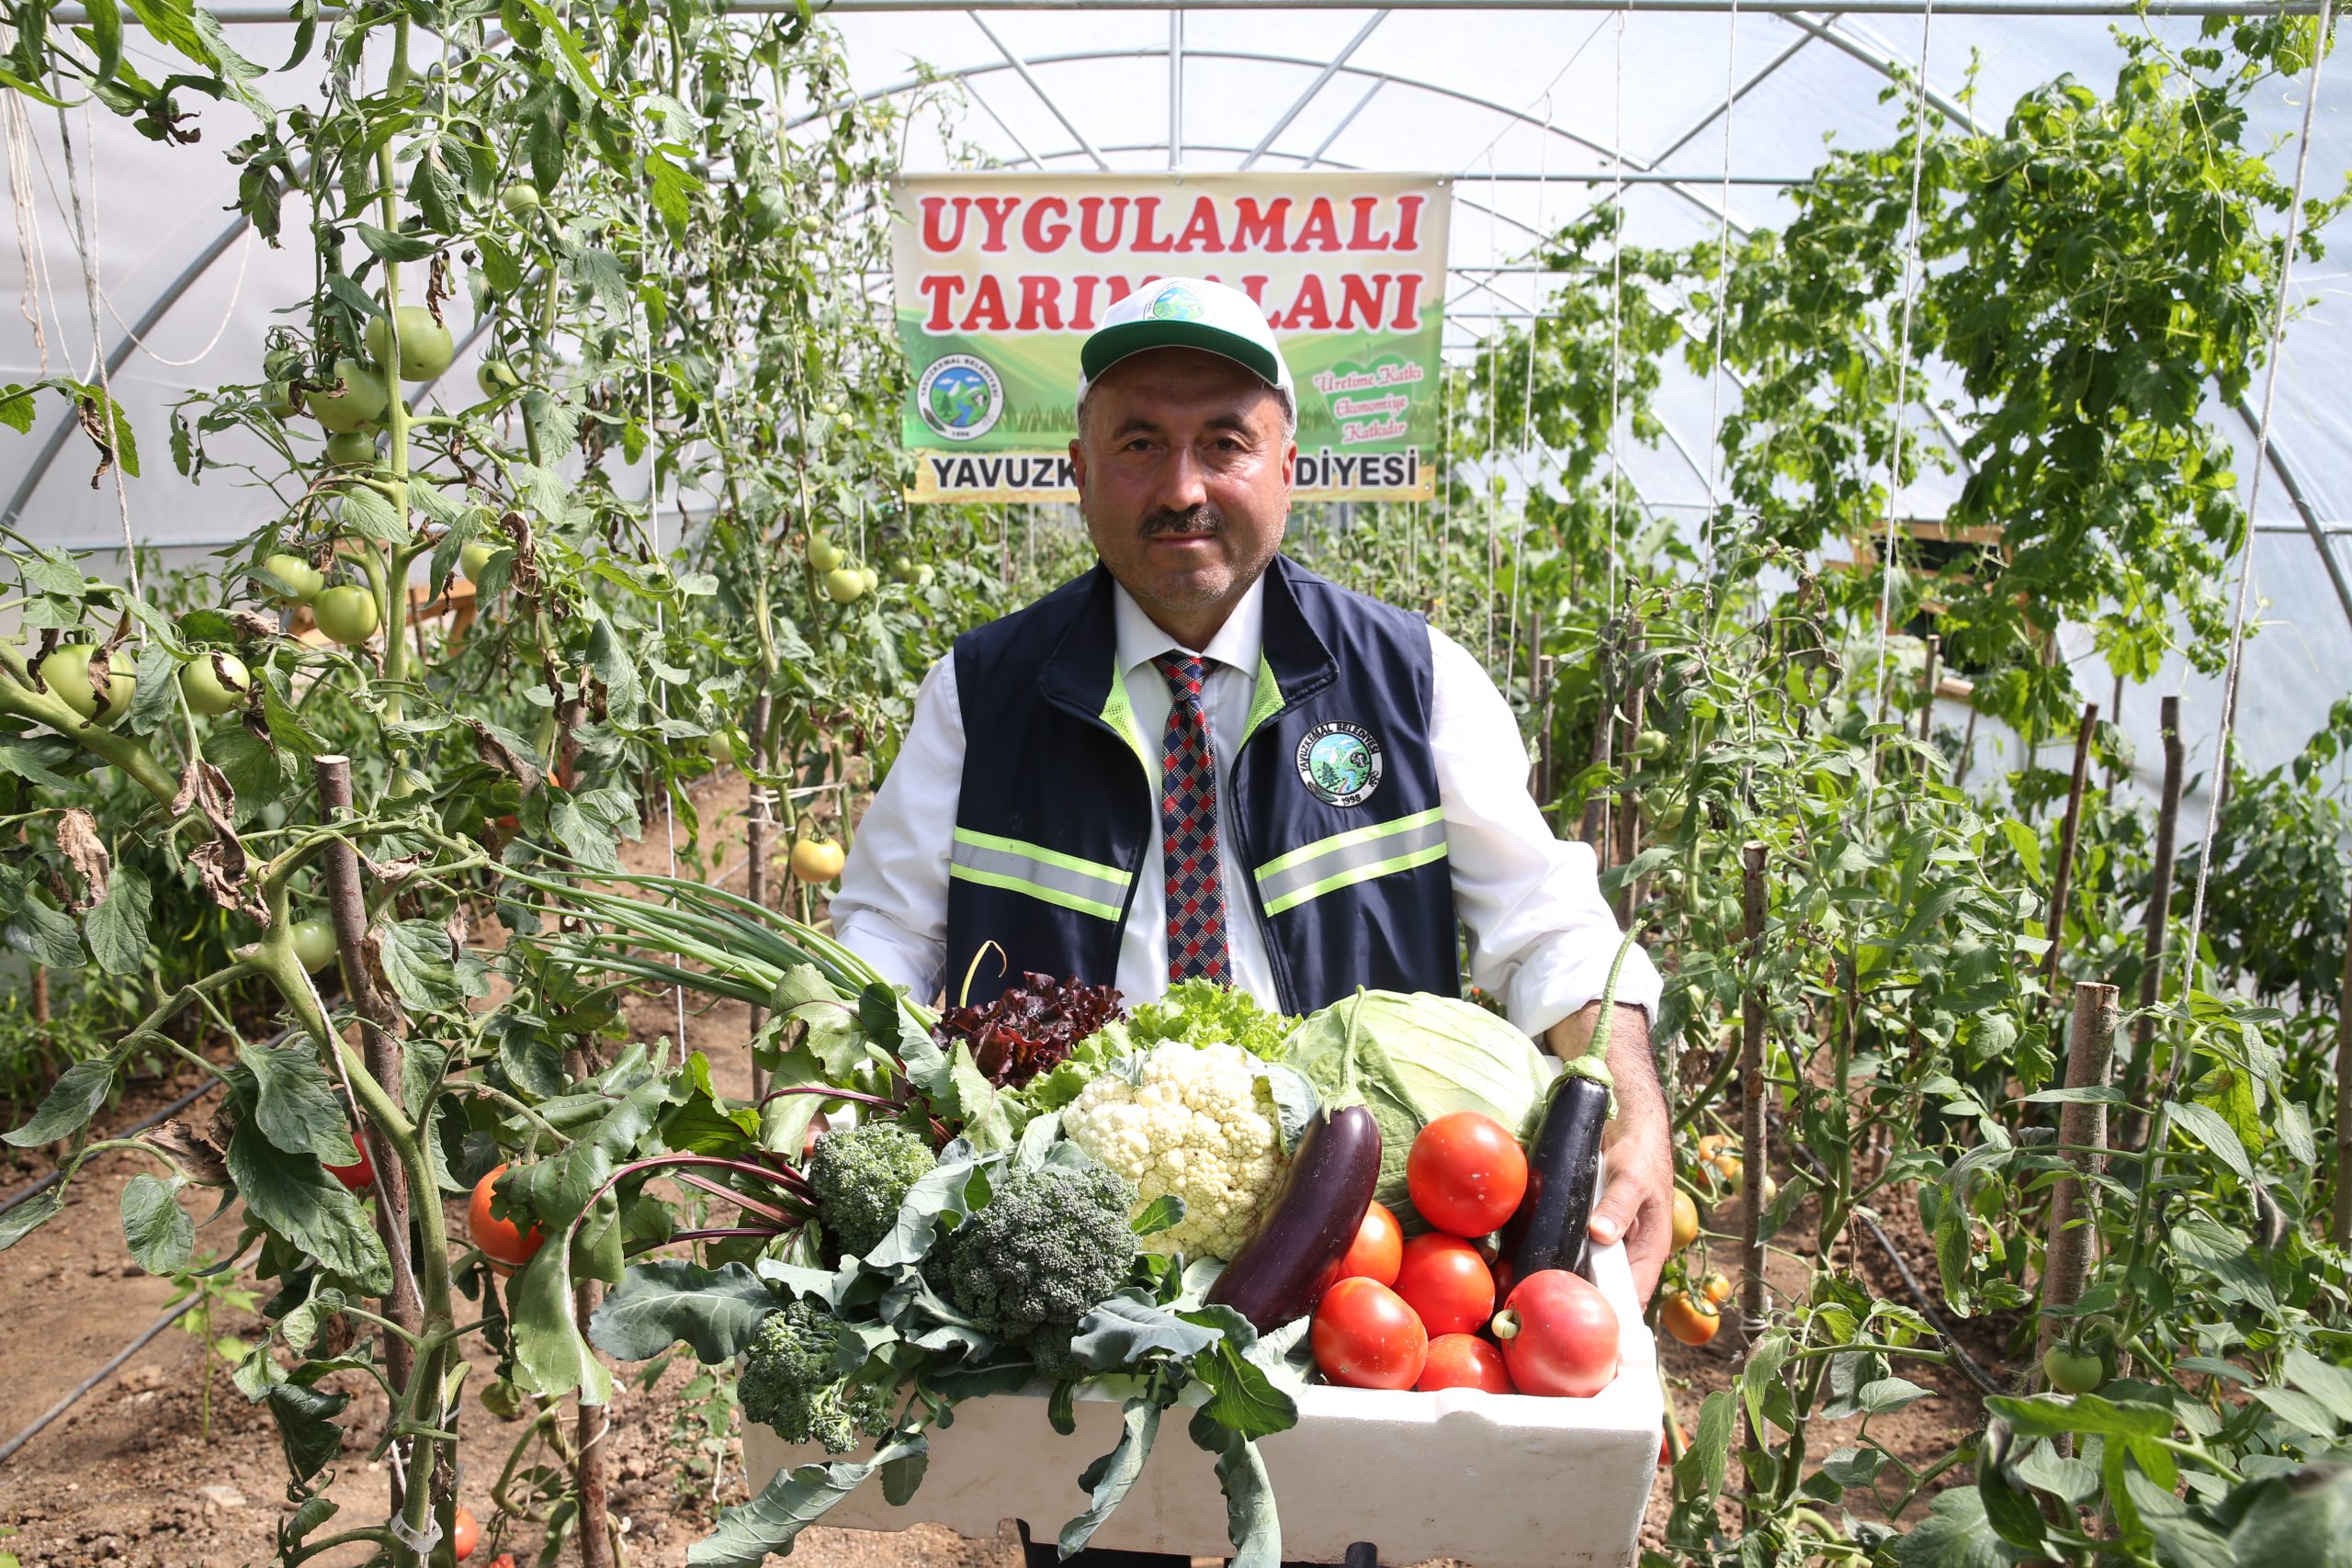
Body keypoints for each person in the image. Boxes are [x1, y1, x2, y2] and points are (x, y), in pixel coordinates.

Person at [832, 276, 1673, 1566]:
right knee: (1104, 1536)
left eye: (1222, 440)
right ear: (1078, 471)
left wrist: (1631, 1099)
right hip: (1093, 1287)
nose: (1182, 487)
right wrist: (848, 1121)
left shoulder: (1412, 680)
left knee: (1346, 1537)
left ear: (1287, 461)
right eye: (1138, 444)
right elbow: (882, 944)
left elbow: (1547, 925)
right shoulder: (983, 692)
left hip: (1368, 1276)